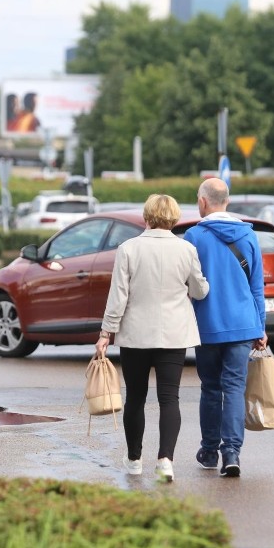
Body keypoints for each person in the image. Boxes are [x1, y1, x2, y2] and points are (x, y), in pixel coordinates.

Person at [95, 194, 209, 483]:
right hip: (173, 334)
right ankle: (166, 461)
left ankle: (134, 459)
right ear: (173, 219)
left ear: (146, 216)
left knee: (135, 397)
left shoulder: (128, 249)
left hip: (135, 334)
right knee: (169, 398)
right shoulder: (186, 249)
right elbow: (198, 291)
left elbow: (118, 296)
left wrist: (106, 332)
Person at [183, 178, 268, 478]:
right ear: (227, 201)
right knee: (234, 388)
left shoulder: (193, 237)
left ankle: (209, 450)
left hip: (207, 325)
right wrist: (261, 327)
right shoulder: (248, 236)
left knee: (210, 387)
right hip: (243, 326)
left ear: (204, 202)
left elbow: (186, 285)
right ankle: (231, 453)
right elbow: (257, 287)